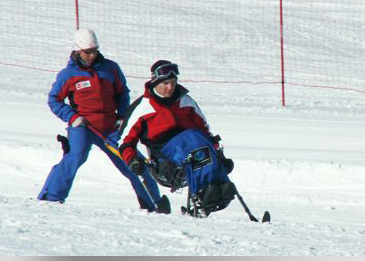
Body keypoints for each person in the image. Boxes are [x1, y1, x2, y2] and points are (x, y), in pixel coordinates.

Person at [37, 28, 169, 214]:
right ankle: (51, 198)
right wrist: (72, 117)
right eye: (87, 52)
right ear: (77, 50)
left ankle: (153, 203)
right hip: (83, 127)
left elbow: (123, 93)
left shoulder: (110, 68)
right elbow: (54, 100)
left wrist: (122, 116)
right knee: (75, 157)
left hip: (110, 127)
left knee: (132, 160)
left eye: (94, 51)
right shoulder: (68, 74)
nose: (91, 56)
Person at [119, 60, 235, 217]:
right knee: (193, 140)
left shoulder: (185, 101)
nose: (170, 87)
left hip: (194, 146)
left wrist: (219, 155)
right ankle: (205, 193)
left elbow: (205, 131)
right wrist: (132, 160)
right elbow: (125, 142)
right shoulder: (143, 107)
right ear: (155, 82)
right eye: (166, 83)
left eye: (173, 82)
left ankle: (221, 188)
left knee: (200, 142)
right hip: (166, 159)